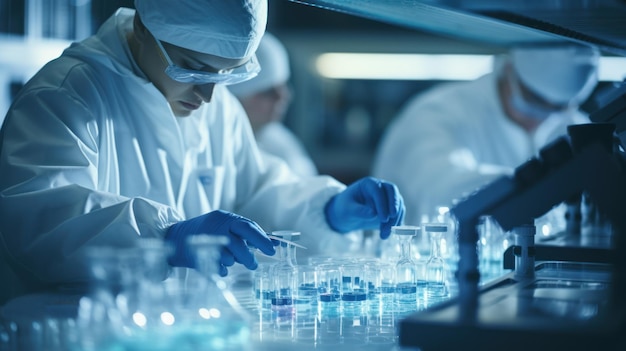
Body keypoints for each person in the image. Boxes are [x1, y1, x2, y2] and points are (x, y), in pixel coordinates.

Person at [0, 0, 405, 304]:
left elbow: (253, 199)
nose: (209, 95)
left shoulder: (217, 106)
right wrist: (163, 237)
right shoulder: (66, 96)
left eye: (227, 73)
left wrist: (328, 210)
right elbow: (40, 220)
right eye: (191, 67)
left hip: (186, 328)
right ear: (143, 27)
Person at [372, 43, 599, 225]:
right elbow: (440, 193)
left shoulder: (574, 124)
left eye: (558, 109)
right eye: (534, 102)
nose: (543, 117)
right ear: (509, 70)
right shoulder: (437, 114)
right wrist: (547, 184)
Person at [228, 32, 318, 178]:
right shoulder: (216, 144)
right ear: (234, 98)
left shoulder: (280, 143)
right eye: (268, 91)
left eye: (284, 85)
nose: (283, 97)